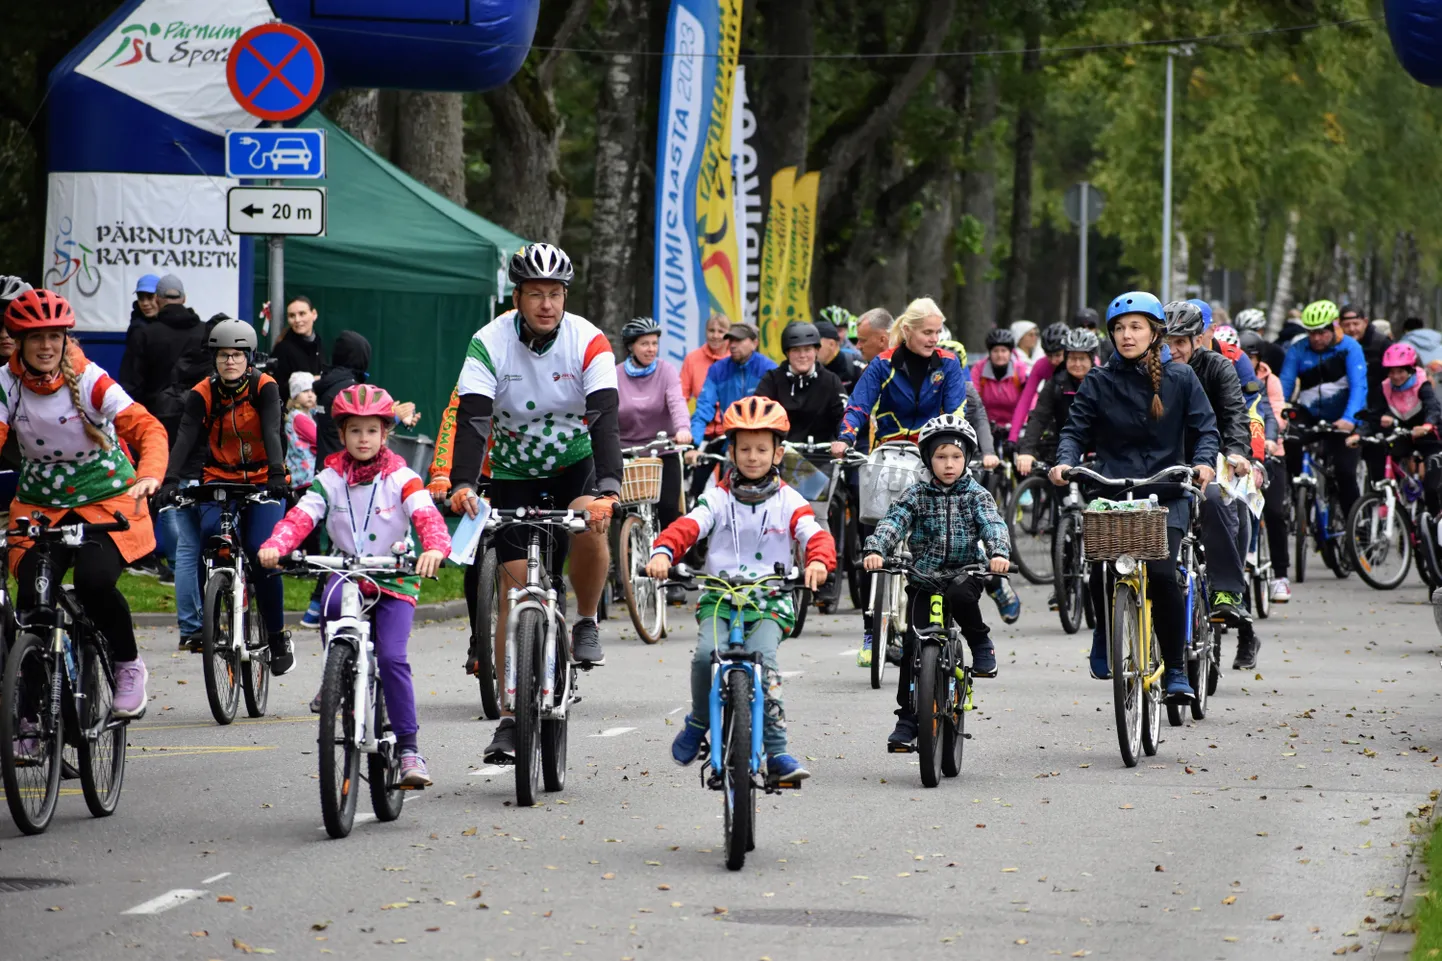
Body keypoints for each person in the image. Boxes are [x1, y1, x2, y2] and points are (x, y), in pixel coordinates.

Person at [447, 243, 624, 763]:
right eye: (535, 294)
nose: (546, 304)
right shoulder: (488, 343)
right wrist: (461, 482)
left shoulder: (588, 341)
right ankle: (508, 719)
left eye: (555, 293)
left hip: (576, 463)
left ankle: (587, 619)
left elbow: (605, 421)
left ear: (565, 295)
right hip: (513, 472)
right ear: (517, 296)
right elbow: (475, 419)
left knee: (591, 524)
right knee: (513, 593)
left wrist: (609, 487)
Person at [259, 384, 450, 787]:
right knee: (329, 608)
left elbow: (427, 517)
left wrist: (433, 548)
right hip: (346, 574)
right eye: (354, 431)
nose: (363, 439)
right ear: (342, 434)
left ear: (385, 434)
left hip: (393, 577)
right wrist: (277, 544)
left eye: (372, 431)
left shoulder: (403, 477)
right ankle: (340, 676)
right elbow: (301, 517)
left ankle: (410, 750)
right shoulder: (329, 479)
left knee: (393, 658)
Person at [646, 396, 834, 782]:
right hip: (720, 596)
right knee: (704, 657)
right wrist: (664, 551)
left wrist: (817, 561)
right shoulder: (717, 498)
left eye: (762, 449)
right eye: (744, 448)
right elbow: (689, 526)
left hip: (770, 600)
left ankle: (778, 753)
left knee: (764, 664)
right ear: (730, 451)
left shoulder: (791, 500)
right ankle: (699, 721)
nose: (752, 457)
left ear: (778, 453)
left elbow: (815, 535)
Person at [1, 289, 168, 719]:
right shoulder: (6, 384)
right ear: (18, 341)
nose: (45, 346)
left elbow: (147, 428)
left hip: (106, 499)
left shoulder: (90, 378)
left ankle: (128, 665)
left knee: (95, 582)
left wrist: (150, 473)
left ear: (64, 339)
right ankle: (29, 717)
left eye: (54, 336)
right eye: (35, 338)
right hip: (41, 504)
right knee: (32, 605)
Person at [1049, 290, 1220, 703]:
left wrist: (1202, 463)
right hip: (1112, 487)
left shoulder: (1181, 378)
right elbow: (1075, 430)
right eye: (1120, 329)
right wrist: (1064, 461)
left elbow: (1205, 429)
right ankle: (1104, 634)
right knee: (1099, 567)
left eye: (1136, 327)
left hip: (1167, 490)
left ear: (1155, 333)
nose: (1127, 335)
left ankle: (1176, 669)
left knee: (1162, 575)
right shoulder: (1098, 380)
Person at [862, 414, 1010, 747]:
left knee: (961, 596)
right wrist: (875, 548)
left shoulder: (976, 494)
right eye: (941, 457)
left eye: (956, 457)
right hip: (923, 577)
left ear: (967, 458)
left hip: (964, 572)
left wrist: (999, 552)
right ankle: (907, 721)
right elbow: (892, 522)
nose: (948, 464)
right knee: (913, 647)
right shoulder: (917, 494)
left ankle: (981, 643)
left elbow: (993, 524)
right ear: (928, 458)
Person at [158, 319, 294, 670]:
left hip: (264, 478)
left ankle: (277, 635)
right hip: (219, 477)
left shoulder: (265, 387)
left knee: (259, 551)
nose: (229, 362)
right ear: (214, 359)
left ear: (248, 358)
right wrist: (169, 480)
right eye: (222, 356)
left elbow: (272, 430)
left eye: (236, 355)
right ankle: (213, 622)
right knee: (208, 539)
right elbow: (186, 436)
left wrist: (278, 475)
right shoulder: (202, 392)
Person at [1162, 304, 1266, 670]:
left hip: (1213, 459)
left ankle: (1229, 594)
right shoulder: (1150, 369)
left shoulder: (1219, 367)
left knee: (1223, 504)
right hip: (1165, 463)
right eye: (1166, 341)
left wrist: (1238, 453)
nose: (1172, 349)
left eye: (1179, 342)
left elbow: (1236, 415)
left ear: (1196, 339)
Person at [834, 298, 967, 455]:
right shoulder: (882, 363)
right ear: (907, 330)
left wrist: (955, 445)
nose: (934, 339)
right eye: (927, 332)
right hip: (887, 454)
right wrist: (845, 438)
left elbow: (956, 413)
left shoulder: (949, 363)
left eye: (937, 332)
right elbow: (858, 405)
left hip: (931, 454)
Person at [1279, 298, 1368, 516]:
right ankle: (1297, 490)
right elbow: (1284, 386)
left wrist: (1349, 419)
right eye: (1311, 332)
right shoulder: (1298, 349)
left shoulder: (1350, 348)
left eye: (1322, 332)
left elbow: (1359, 388)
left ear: (1334, 326)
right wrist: (1278, 418)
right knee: (1288, 440)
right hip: (1309, 413)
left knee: (1345, 473)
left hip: (1342, 416)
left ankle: (1355, 527)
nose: (1316, 338)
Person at [616, 316, 692, 530]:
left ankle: (671, 558)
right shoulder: (616, 375)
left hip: (662, 450)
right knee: (624, 509)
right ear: (631, 346)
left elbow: (677, 402)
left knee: (668, 506)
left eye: (654, 343)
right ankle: (628, 557)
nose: (651, 349)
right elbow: (606, 411)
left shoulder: (666, 371)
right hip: (627, 453)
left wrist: (683, 429)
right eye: (644, 344)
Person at [1347, 342, 1442, 512]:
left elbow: (1433, 407)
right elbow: (1373, 415)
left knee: (1432, 487)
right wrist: (1358, 434)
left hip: (1429, 437)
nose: (1396, 376)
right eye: (1392, 371)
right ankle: (1391, 507)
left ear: (1411, 370)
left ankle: (1436, 527)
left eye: (1401, 371)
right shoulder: (1384, 388)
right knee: (1378, 450)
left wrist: (1427, 425)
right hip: (1402, 436)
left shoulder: (1422, 384)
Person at [686, 321, 777, 498]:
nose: (732, 345)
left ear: (754, 342)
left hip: (763, 443)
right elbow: (704, 407)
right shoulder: (718, 370)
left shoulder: (769, 368)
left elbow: (779, 411)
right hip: (730, 442)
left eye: (739, 340)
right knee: (709, 494)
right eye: (730, 340)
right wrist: (693, 445)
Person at [118, 273, 209, 441]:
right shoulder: (205, 332)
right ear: (184, 298)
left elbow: (131, 386)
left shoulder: (144, 334)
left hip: (155, 425)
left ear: (158, 300)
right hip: (197, 424)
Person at [1238, 329, 1292, 604]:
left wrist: (1270, 440)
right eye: (1243, 355)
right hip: (1239, 455)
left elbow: (1270, 414)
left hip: (1270, 453)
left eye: (1253, 356)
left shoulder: (1267, 381)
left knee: (1273, 511)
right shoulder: (1229, 375)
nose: (1248, 360)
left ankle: (1281, 575)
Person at [313, 331, 420, 461]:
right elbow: (360, 424)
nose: (364, 438)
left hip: (325, 466)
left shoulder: (329, 383)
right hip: (341, 472)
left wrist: (398, 417)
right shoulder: (346, 390)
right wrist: (394, 416)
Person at [1015, 327, 1098, 478]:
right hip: (1065, 442)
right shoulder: (1055, 383)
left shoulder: (1102, 382)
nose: (1077, 364)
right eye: (1072, 358)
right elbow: (1039, 417)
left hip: (1097, 444)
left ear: (1091, 359)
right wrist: (1026, 451)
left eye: (1082, 359)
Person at [756, 322, 847, 443]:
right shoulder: (772, 379)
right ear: (787, 353)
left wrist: (844, 440)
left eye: (808, 349)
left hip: (822, 456)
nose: (802, 355)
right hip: (781, 454)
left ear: (816, 351)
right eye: (796, 350)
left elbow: (844, 416)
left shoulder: (831, 381)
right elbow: (758, 411)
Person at [1008, 322, 1072, 445]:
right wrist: (1012, 438)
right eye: (1049, 355)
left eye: (1058, 355)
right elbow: (1025, 401)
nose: (1053, 361)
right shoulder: (1041, 365)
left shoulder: (1081, 364)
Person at [971, 327, 1029, 435]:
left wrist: (1026, 419)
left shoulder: (1020, 369)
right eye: (995, 351)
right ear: (990, 352)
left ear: (1011, 352)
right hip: (987, 425)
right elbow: (973, 397)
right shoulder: (979, 369)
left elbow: (1030, 396)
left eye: (1004, 351)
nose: (1000, 355)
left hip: (1016, 425)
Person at [271, 295, 327, 401]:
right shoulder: (283, 349)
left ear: (314, 314)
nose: (297, 320)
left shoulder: (319, 343)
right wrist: (310, 381)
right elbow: (277, 387)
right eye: (292, 315)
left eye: (302, 314)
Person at [1339, 304, 1392, 400]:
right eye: (1347, 325)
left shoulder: (1382, 343)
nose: (1351, 329)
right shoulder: (1337, 346)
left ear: (1365, 322)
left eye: (1356, 324)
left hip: (1377, 401)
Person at [680, 313, 731, 405]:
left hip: (734, 417)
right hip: (703, 417)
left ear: (729, 335)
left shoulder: (736, 359)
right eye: (711, 330)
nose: (715, 336)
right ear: (705, 332)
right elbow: (681, 398)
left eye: (721, 332)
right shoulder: (692, 358)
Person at [285, 371, 319, 493]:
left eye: (312, 391)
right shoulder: (300, 418)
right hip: (304, 476)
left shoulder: (304, 414)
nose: (310, 395)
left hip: (301, 475)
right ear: (295, 396)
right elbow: (317, 439)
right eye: (305, 391)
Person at [815, 317, 865, 392]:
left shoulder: (858, 368)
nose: (812, 350)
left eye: (816, 345)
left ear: (831, 344)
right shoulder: (810, 370)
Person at [1234, 307, 1285, 372]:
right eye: (1242, 332)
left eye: (1252, 332)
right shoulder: (1231, 350)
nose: (1246, 337)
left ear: (1261, 330)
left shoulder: (1275, 352)